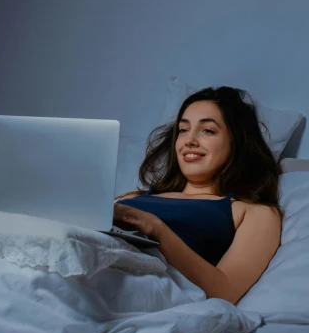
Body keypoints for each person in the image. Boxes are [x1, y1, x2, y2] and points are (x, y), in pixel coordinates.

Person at [113, 86, 282, 305]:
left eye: (207, 131)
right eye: (183, 130)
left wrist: (157, 230)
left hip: (133, 285)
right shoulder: (133, 197)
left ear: (237, 142)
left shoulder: (253, 211)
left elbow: (225, 292)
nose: (189, 140)